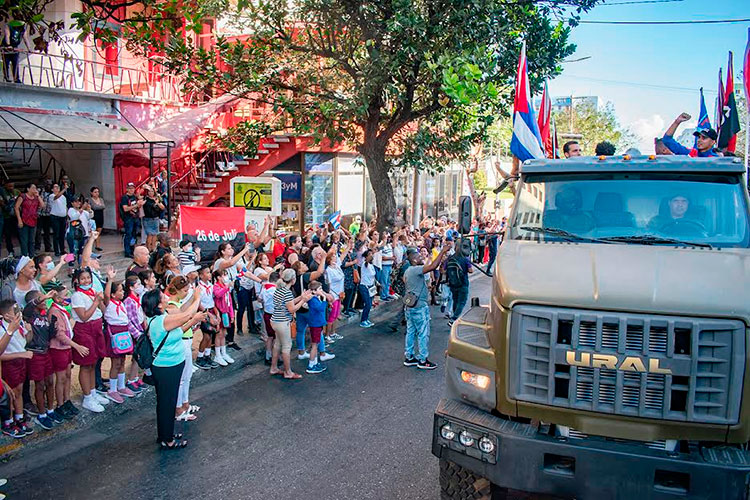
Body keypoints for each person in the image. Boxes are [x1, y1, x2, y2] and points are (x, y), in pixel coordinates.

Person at [141, 287, 203, 450]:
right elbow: (187, 314)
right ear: (159, 304)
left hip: (169, 366)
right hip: (167, 367)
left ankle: (165, 433)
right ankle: (167, 439)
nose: (166, 296)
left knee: (165, 402)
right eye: (163, 296)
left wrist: (194, 320)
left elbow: (179, 330)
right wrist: (196, 298)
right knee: (167, 403)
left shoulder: (162, 318)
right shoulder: (162, 320)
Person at [403, 240, 451, 370]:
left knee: (411, 331)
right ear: (413, 260)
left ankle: (409, 357)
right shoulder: (415, 270)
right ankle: (423, 360)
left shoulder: (408, 271)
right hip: (419, 306)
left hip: (410, 306)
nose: (421, 257)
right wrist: (442, 251)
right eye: (419, 256)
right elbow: (432, 267)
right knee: (423, 333)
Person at [70, 268, 108, 413]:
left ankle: (92, 393)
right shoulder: (77, 296)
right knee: (86, 365)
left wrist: (100, 300)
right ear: (77, 281)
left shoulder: (92, 292)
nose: (86, 281)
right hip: (85, 330)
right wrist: (96, 302)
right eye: (83, 279)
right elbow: (84, 316)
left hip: (97, 327)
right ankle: (87, 397)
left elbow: (101, 309)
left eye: (88, 278)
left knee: (94, 362)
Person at [165, 276, 203, 422]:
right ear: (178, 290)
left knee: (187, 376)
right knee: (181, 378)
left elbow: (185, 307)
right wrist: (197, 298)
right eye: (185, 290)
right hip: (181, 342)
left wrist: (193, 298)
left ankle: (185, 403)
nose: (187, 292)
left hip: (187, 339)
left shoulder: (177, 302)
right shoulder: (171, 306)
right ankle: (178, 408)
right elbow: (187, 314)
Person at [22, 289, 61, 429]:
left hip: (46, 352)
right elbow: (28, 307)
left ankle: (50, 409)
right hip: (35, 353)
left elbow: (48, 336)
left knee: (50, 382)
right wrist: (43, 297)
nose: (45, 301)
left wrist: (53, 328)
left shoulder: (45, 316)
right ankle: (41, 414)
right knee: (39, 385)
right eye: (42, 299)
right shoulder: (30, 316)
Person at [47, 284, 85, 419]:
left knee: (68, 375)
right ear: (57, 298)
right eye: (65, 296)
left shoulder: (62, 310)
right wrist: (76, 346)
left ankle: (67, 400)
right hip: (58, 348)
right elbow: (59, 334)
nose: (68, 298)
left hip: (66, 348)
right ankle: (60, 404)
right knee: (61, 378)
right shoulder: (54, 312)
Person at [270, 269, 312, 380]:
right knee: (286, 347)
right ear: (293, 280)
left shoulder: (279, 289)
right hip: (283, 322)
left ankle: (274, 367)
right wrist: (303, 301)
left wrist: (301, 297)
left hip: (275, 320)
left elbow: (290, 302)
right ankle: (288, 372)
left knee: (277, 345)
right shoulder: (287, 292)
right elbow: (292, 308)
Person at [0, 300, 33, 437]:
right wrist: (21, 354)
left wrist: (29, 330)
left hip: (21, 362)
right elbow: (1, 354)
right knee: (11, 393)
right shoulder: (2, 329)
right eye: (16, 311)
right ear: (7, 315)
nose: (19, 313)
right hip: (10, 363)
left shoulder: (19, 325)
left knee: (19, 391)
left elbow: (27, 340)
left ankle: (19, 418)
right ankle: (9, 421)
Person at [102, 269, 135, 404]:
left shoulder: (121, 303)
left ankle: (121, 386)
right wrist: (110, 280)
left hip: (124, 332)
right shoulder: (109, 304)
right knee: (115, 363)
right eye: (120, 291)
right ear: (113, 294)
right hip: (115, 333)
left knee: (122, 361)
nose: (122, 293)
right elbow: (106, 295)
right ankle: (113, 389)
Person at [122, 275, 145, 393]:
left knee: (138, 357)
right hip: (136, 333)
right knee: (135, 357)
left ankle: (135, 377)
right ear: (131, 287)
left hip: (141, 330)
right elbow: (129, 320)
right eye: (138, 284)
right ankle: (131, 379)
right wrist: (137, 333)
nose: (140, 287)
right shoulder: (129, 301)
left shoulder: (137, 298)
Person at [304, 280, 333, 374]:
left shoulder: (314, 298)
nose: (321, 290)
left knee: (315, 344)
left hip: (316, 323)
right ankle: (311, 365)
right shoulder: (313, 300)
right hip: (315, 324)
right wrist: (324, 298)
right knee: (314, 345)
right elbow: (320, 308)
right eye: (319, 289)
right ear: (314, 290)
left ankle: (314, 362)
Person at [195, 266, 220, 369]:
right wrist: (208, 314)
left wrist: (216, 313)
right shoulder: (199, 287)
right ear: (201, 275)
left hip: (211, 311)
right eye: (207, 273)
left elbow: (211, 301)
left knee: (211, 334)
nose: (210, 274)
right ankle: (200, 357)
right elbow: (199, 303)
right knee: (206, 336)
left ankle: (207, 356)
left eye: (210, 272)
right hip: (204, 312)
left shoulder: (210, 285)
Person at [212, 268, 234, 366]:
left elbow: (230, 302)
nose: (225, 277)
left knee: (224, 333)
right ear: (218, 277)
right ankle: (217, 355)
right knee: (219, 334)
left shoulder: (226, 287)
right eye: (223, 275)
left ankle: (223, 353)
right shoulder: (216, 286)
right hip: (219, 313)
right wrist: (226, 287)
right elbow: (218, 295)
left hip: (226, 313)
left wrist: (232, 314)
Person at [446, 245, 473, 326]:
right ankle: (454, 319)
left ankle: (455, 317)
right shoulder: (465, 259)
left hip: (453, 283)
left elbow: (444, 269)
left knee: (455, 300)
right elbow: (470, 270)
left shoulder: (450, 258)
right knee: (462, 302)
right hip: (463, 282)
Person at [15, 183, 44, 257]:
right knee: (24, 240)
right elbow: (16, 207)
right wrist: (19, 219)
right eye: (33, 188)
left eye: (35, 188)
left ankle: (31, 256)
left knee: (32, 240)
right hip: (24, 220)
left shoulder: (36, 197)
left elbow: (42, 206)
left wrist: (38, 196)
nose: (35, 190)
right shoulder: (23, 196)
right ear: (28, 189)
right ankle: (24, 256)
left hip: (33, 220)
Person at [259, 271, 278, 365]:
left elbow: (259, 299)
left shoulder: (264, 288)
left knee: (270, 337)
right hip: (274, 315)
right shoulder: (275, 290)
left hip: (266, 313)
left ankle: (268, 356)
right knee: (276, 337)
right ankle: (275, 357)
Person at [119, 182, 143, 257]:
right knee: (128, 234)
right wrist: (136, 205)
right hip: (128, 218)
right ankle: (127, 251)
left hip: (135, 217)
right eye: (130, 188)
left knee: (134, 235)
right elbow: (125, 209)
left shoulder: (134, 197)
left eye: (133, 188)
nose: (132, 190)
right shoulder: (125, 197)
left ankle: (133, 250)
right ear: (127, 189)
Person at [142, 184, 164, 251]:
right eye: (149, 191)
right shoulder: (145, 198)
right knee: (149, 234)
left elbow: (163, 207)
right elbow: (137, 196)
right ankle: (148, 248)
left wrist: (157, 203)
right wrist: (143, 188)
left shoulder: (157, 199)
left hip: (155, 218)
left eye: (152, 191)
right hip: (147, 219)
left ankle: (153, 248)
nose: (150, 193)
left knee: (154, 234)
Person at [1, 180, 20, 257]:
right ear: (5, 185)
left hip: (16, 216)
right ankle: (11, 251)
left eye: (12, 186)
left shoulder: (17, 192)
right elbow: (2, 203)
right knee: (8, 235)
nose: (11, 188)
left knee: (19, 234)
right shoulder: (2, 192)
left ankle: (24, 251)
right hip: (6, 216)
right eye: (9, 186)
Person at [49, 183, 68, 257]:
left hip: (63, 217)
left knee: (62, 234)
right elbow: (56, 197)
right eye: (55, 187)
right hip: (55, 217)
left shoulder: (63, 197)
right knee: (56, 234)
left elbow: (64, 206)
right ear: (52, 189)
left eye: (58, 187)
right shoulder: (51, 196)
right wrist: (64, 189)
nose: (57, 189)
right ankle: (57, 250)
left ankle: (62, 249)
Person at [358, 249, 376, 328]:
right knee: (368, 304)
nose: (371, 255)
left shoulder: (371, 265)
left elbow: (373, 276)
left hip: (371, 287)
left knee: (370, 304)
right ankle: (363, 320)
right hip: (364, 286)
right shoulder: (364, 264)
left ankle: (366, 319)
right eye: (370, 254)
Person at [35, 181, 53, 254]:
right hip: (40, 214)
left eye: (49, 185)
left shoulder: (52, 194)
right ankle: (37, 247)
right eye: (47, 184)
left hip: (48, 215)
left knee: (47, 232)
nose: (48, 186)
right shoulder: (40, 192)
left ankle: (48, 247)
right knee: (38, 232)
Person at [88, 187, 105, 251]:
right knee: (93, 231)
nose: (97, 193)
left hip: (100, 216)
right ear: (91, 193)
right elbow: (94, 207)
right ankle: (90, 245)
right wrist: (99, 206)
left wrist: (99, 206)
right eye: (95, 192)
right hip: (93, 217)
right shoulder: (90, 200)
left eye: (97, 192)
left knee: (98, 231)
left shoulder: (101, 199)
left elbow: (103, 206)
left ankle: (97, 245)